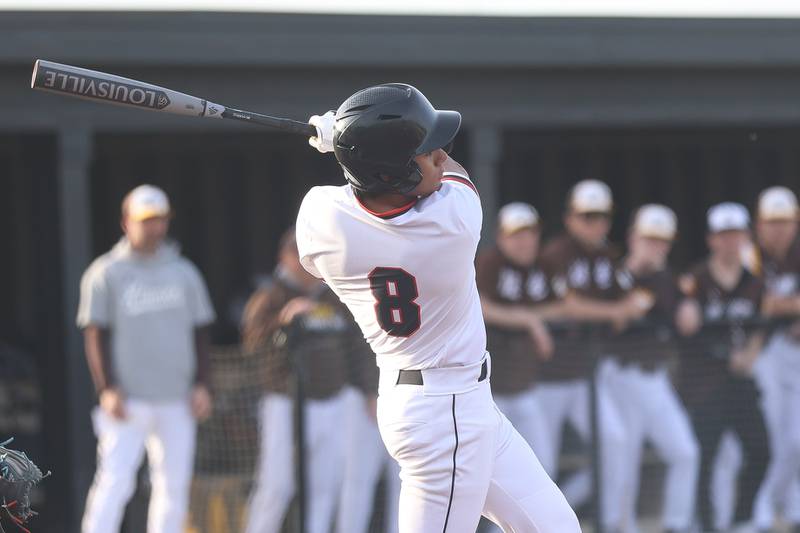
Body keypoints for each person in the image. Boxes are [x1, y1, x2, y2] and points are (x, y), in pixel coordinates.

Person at [298, 84, 580, 532]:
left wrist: (348, 147)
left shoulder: (320, 221)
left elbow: (355, 202)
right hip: (443, 412)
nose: (441, 156)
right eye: (428, 154)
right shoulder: (454, 223)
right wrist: (342, 141)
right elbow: (455, 174)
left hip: (448, 402)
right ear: (396, 174)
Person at [78, 184, 216, 533]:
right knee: (115, 482)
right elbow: (95, 334)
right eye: (145, 220)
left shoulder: (184, 272)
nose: (153, 227)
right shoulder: (106, 272)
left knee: (173, 487)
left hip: (177, 398)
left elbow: (200, 332)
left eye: (159, 220)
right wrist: (107, 388)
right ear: (126, 222)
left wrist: (203, 384)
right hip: (128, 399)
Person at [533, 179, 644, 533]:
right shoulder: (555, 253)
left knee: (615, 441)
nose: (595, 224)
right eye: (587, 216)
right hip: (544, 377)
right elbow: (567, 306)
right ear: (570, 218)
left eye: (601, 216)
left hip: (583, 374)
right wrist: (612, 312)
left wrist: (626, 304)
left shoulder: (607, 256)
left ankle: (610, 523)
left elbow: (633, 299)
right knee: (538, 463)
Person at [242, 227, 367, 533]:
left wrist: (367, 390)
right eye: (298, 256)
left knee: (325, 486)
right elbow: (250, 345)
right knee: (276, 485)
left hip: (332, 400)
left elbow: (356, 343)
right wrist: (283, 320)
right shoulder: (270, 295)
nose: (305, 263)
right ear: (284, 257)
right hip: (284, 401)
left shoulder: (334, 294)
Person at [676, 202, 770, 532]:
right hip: (704, 384)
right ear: (711, 239)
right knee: (706, 458)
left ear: (746, 237)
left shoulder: (753, 281)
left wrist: (752, 352)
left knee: (761, 449)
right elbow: (685, 327)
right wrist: (686, 310)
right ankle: (707, 524)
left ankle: (742, 518)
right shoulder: (696, 280)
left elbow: (763, 322)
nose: (730, 242)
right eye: (723, 235)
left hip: (741, 382)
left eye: (736, 235)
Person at [608, 205, 699, 533]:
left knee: (685, 452)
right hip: (620, 376)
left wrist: (689, 305)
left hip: (655, 378)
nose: (656, 247)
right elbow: (612, 323)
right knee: (624, 462)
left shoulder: (668, 279)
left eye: (662, 241)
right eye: (649, 239)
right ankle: (622, 527)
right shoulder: (615, 275)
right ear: (633, 238)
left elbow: (685, 317)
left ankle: (676, 525)